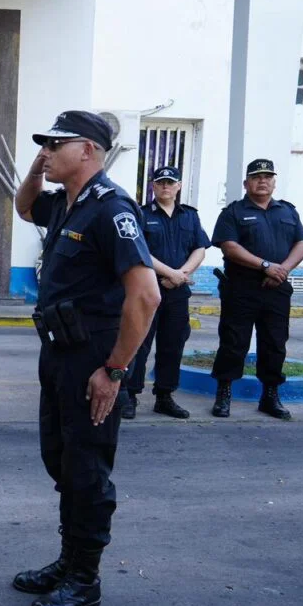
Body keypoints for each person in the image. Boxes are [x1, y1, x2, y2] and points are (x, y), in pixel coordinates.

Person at [11, 111, 159, 606]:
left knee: (88, 470)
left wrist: (115, 370)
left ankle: (85, 579)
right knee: (62, 461)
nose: (46, 151)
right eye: (44, 146)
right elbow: (24, 206)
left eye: (56, 144)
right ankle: (68, 560)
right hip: (57, 353)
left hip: (93, 359)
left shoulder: (111, 208)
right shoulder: (66, 204)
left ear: (90, 150)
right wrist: (37, 167)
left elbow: (146, 296)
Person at [210, 159, 303, 419]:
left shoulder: (287, 211)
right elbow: (229, 247)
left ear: (274, 182)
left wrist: (282, 270)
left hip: (277, 289)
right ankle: (224, 394)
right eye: (256, 177)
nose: (262, 181)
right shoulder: (233, 212)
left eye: (267, 176)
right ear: (246, 183)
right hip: (242, 289)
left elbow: (302, 244)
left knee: (275, 344)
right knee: (234, 342)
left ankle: (269, 396)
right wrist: (265, 266)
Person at [119, 166, 209, 419]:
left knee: (173, 345)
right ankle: (130, 395)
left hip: (178, 291)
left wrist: (181, 274)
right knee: (139, 343)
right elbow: (139, 250)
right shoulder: (140, 214)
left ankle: (165, 396)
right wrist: (171, 273)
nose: (165, 186)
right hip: (147, 289)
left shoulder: (189, 216)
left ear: (178, 186)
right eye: (160, 183)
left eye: (170, 182)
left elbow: (200, 248)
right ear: (153, 186)